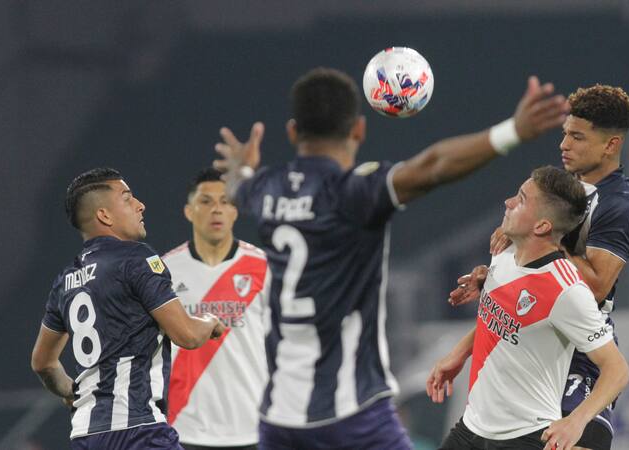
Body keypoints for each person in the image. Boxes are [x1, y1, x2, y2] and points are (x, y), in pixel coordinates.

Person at [212, 67, 569, 449]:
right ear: (359, 130)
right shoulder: (354, 193)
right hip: (352, 409)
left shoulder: (267, 189)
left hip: (278, 415)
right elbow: (431, 167)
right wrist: (512, 131)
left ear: (293, 132)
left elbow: (237, 187)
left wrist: (241, 168)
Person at [451, 85, 629, 450]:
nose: (563, 145)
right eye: (565, 133)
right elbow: (527, 273)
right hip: (532, 340)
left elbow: (597, 285)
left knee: (578, 440)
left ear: (611, 145)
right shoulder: (559, 185)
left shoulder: (618, 206)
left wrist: (540, 240)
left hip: (580, 351)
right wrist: (496, 271)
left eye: (577, 137)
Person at [427, 166, 629, 450]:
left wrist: (577, 420)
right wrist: (458, 354)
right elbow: (501, 318)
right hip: (471, 429)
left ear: (542, 226)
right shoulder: (503, 254)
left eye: (521, 200)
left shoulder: (567, 290)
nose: (508, 203)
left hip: (524, 438)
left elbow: (617, 369)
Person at [30, 168, 226, 449]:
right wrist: (209, 321)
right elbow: (187, 335)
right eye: (127, 198)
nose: (140, 205)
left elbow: (43, 362)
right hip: (138, 430)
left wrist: (73, 393)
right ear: (104, 215)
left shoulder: (65, 281)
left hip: (86, 436)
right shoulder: (135, 258)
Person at [163, 168, 270, 450]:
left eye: (225, 202)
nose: (217, 210)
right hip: (185, 428)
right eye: (206, 201)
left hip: (254, 427)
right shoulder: (166, 271)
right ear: (189, 211)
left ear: (235, 211)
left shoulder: (264, 267)